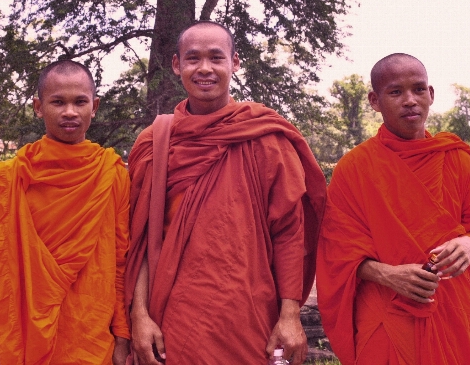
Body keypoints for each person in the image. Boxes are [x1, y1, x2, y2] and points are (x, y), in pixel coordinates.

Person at [123, 20, 327, 365]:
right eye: (193, 59)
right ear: (176, 65)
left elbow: (290, 233)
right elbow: (140, 242)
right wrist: (140, 317)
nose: (205, 69)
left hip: (248, 314)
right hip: (173, 317)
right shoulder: (154, 144)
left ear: (234, 63)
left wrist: (290, 315)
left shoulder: (265, 137)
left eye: (216, 58)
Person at [316, 53, 470, 365]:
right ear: (375, 100)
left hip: (450, 309)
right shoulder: (355, 168)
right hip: (386, 311)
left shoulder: (458, 159)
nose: (410, 100)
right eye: (395, 92)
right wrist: (388, 274)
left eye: (418, 89)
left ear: (431, 94)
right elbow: (337, 250)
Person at [0, 60, 131, 365]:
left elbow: (121, 260)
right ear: (38, 107)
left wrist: (123, 337)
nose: (70, 112)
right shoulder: (10, 180)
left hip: (90, 335)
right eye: (57, 102)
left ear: (95, 106)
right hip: (23, 338)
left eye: (80, 102)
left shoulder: (111, 174)